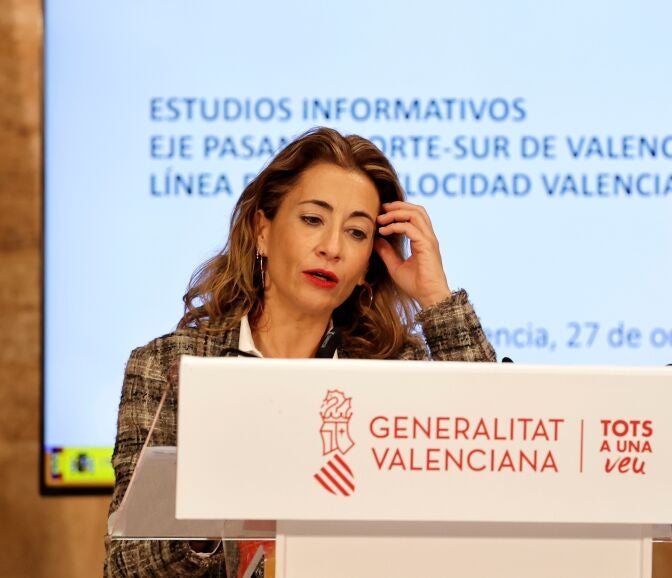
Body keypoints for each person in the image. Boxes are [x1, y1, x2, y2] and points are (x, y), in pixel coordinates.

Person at [104, 127, 496, 577]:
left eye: (356, 232)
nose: (331, 248)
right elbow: (126, 566)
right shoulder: (166, 366)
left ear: (367, 266)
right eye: (312, 219)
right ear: (262, 231)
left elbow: (495, 459)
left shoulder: (392, 371)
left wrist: (435, 296)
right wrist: (207, 511)